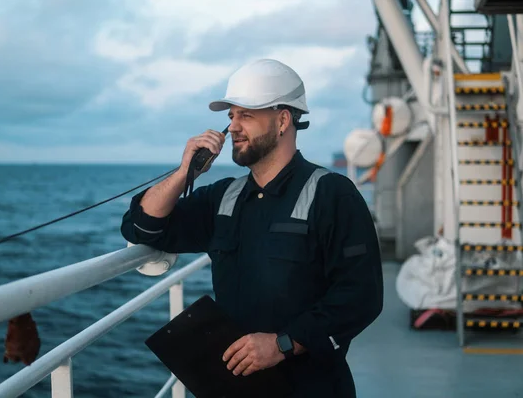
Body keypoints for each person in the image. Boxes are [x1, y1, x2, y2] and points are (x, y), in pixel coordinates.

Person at [120, 59, 383, 397]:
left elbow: (361, 296)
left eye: (246, 115)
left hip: (310, 386)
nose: (233, 127)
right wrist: (187, 171)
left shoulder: (332, 193)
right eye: (231, 116)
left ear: (283, 120)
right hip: (235, 385)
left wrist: (282, 344)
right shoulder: (223, 197)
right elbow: (142, 227)